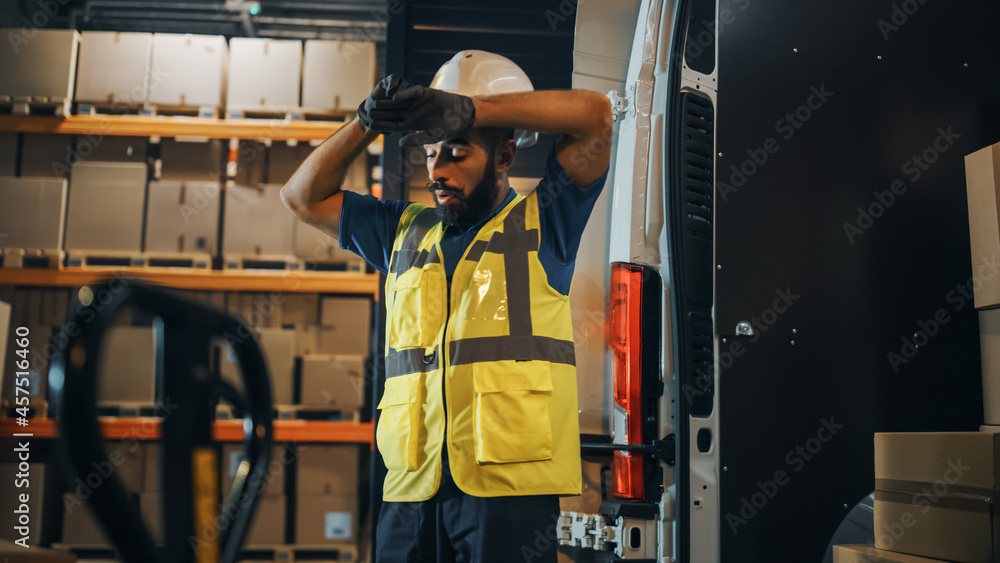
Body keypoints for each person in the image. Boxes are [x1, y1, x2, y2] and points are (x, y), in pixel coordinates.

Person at [280, 50, 612, 562]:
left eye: (456, 152)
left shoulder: (546, 221)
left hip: (508, 496)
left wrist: (470, 109)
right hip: (412, 490)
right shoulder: (403, 230)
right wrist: (367, 124)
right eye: (431, 154)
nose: (438, 169)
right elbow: (301, 196)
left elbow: (595, 117)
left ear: (503, 157)